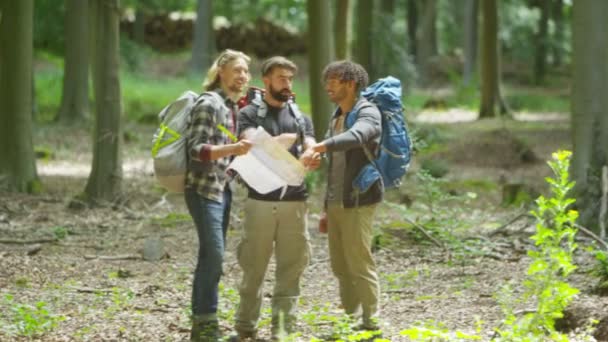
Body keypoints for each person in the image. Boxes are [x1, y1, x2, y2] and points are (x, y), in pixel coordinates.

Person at [232, 56, 319, 341]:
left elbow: (310, 145)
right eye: (281, 78)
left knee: (291, 270)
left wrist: (311, 153)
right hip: (259, 202)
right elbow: (252, 146)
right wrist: (280, 142)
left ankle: (283, 331)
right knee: (253, 268)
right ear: (266, 79)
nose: (287, 84)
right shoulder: (248, 115)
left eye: (290, 79)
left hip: (295, 203)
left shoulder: (300, 117)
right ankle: (245, 328)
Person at [305, 60, 383, 331]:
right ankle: (350, 323)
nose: (328, 85)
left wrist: (322, 145)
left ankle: (371, 323)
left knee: (359, 262)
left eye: (334, 80)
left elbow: (358, 136)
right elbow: (334, 166)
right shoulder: (337, 115)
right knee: (340, 266)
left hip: (360, 199)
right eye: (327, 80)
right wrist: (326, 207)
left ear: (350, 84)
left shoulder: (368, 112)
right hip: (337, 201)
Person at [185, 49, 253, 341]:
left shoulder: (234, 108)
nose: (242, 76)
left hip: (222, 190)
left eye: (246, 72)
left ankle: (203, 328)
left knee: (211, 256)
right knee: (214, 256)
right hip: (202, 189)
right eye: (237, 70)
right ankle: (206, 323)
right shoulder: (209, 104)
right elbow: (196, 149)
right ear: (221, 71)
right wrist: (234, 149)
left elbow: (228, 157)